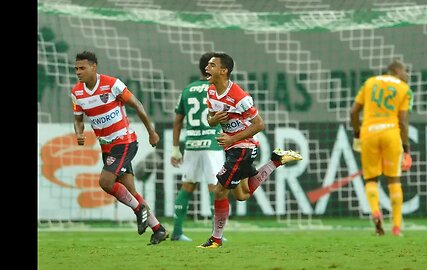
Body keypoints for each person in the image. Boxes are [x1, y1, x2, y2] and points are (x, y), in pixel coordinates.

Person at [196, 52, 303, 248]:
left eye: (212, 65)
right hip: (233, 148)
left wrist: (231, 139)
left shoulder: (240, 97)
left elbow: (259, 124)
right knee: (242, 195)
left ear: (223, 70)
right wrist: (214, 120)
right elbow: (210, 120)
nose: (206, 68)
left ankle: (215, 239)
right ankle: (275, 161)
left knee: (220, 191)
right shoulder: (211, 92)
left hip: (242, 148)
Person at [71, 51, 169, 245]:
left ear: (94, 67)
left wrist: (151, 132)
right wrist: (79, 133)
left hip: (124, 141)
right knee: (130, 189)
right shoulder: (77, 93)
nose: (78, 72)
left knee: (106, 182)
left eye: (82, 68)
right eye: (76, 69)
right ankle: (159, 229)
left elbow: (137, 105)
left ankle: (138, 210)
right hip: (106, 146)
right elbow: (78, 119)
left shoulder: (112, 84)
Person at [350, 59, 413, 237]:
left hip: (369, 133)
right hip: (391, 133)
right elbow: (402, 120)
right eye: (405, 71)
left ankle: (376, 213)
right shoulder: (404, 88)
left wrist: (357, 135)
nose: (407, 75)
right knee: (393, 180)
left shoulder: (370, 83)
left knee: (371, 180)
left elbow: (353, 112)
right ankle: (396, 228)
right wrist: (407, 149)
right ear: (396, 71)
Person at [170, 52, 225, 241]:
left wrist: (175, 148)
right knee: (215, 187)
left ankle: (177, 232)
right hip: (212, 144)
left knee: (187, 186)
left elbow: (177, 121)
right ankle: (216, 233)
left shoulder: (188, 89)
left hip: (192, 144)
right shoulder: (217, 88)